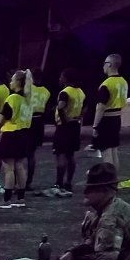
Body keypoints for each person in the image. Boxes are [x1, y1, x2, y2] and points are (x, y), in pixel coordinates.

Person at [0, 70, 34, 208]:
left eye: (12, 80)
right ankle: (21, 198)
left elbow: (1, 120)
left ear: (18, 82)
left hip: (11, 134)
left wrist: (1, 128)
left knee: (9, 168)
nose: (10, 82)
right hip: (24, 134)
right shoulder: (28, 99)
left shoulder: (12, 99)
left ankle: (6, 200)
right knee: (20, 166)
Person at [50, 68, 84, 196]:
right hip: (75, 126)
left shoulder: (64, 92)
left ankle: (59, 183)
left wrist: (65, 121)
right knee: (71, 155)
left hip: (65, 127)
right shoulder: (80, 92)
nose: (59, 79)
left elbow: (61, 108)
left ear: (66, 79)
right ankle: (69, 182)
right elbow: (85, 107)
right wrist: (78, 116)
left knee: (61, 155)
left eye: (61, 77)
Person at [92, 54, 128, 172]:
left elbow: (101, 107)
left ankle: (108, 181)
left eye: (105, 63)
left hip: (106, 120)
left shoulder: (107, 84)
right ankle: (114, 180)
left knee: (106, 152)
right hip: (117, 119)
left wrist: (95, 126)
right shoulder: (124, 82)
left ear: (110, 65)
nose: (103, 66)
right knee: (114, 151)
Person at [24, 69, 50, 192]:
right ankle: (29, 181)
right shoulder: (46, 91)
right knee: (31, 155)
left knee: (19, 155)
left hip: (28, 120)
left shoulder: (28, 90)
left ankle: (19, 181)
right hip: (39, 122)